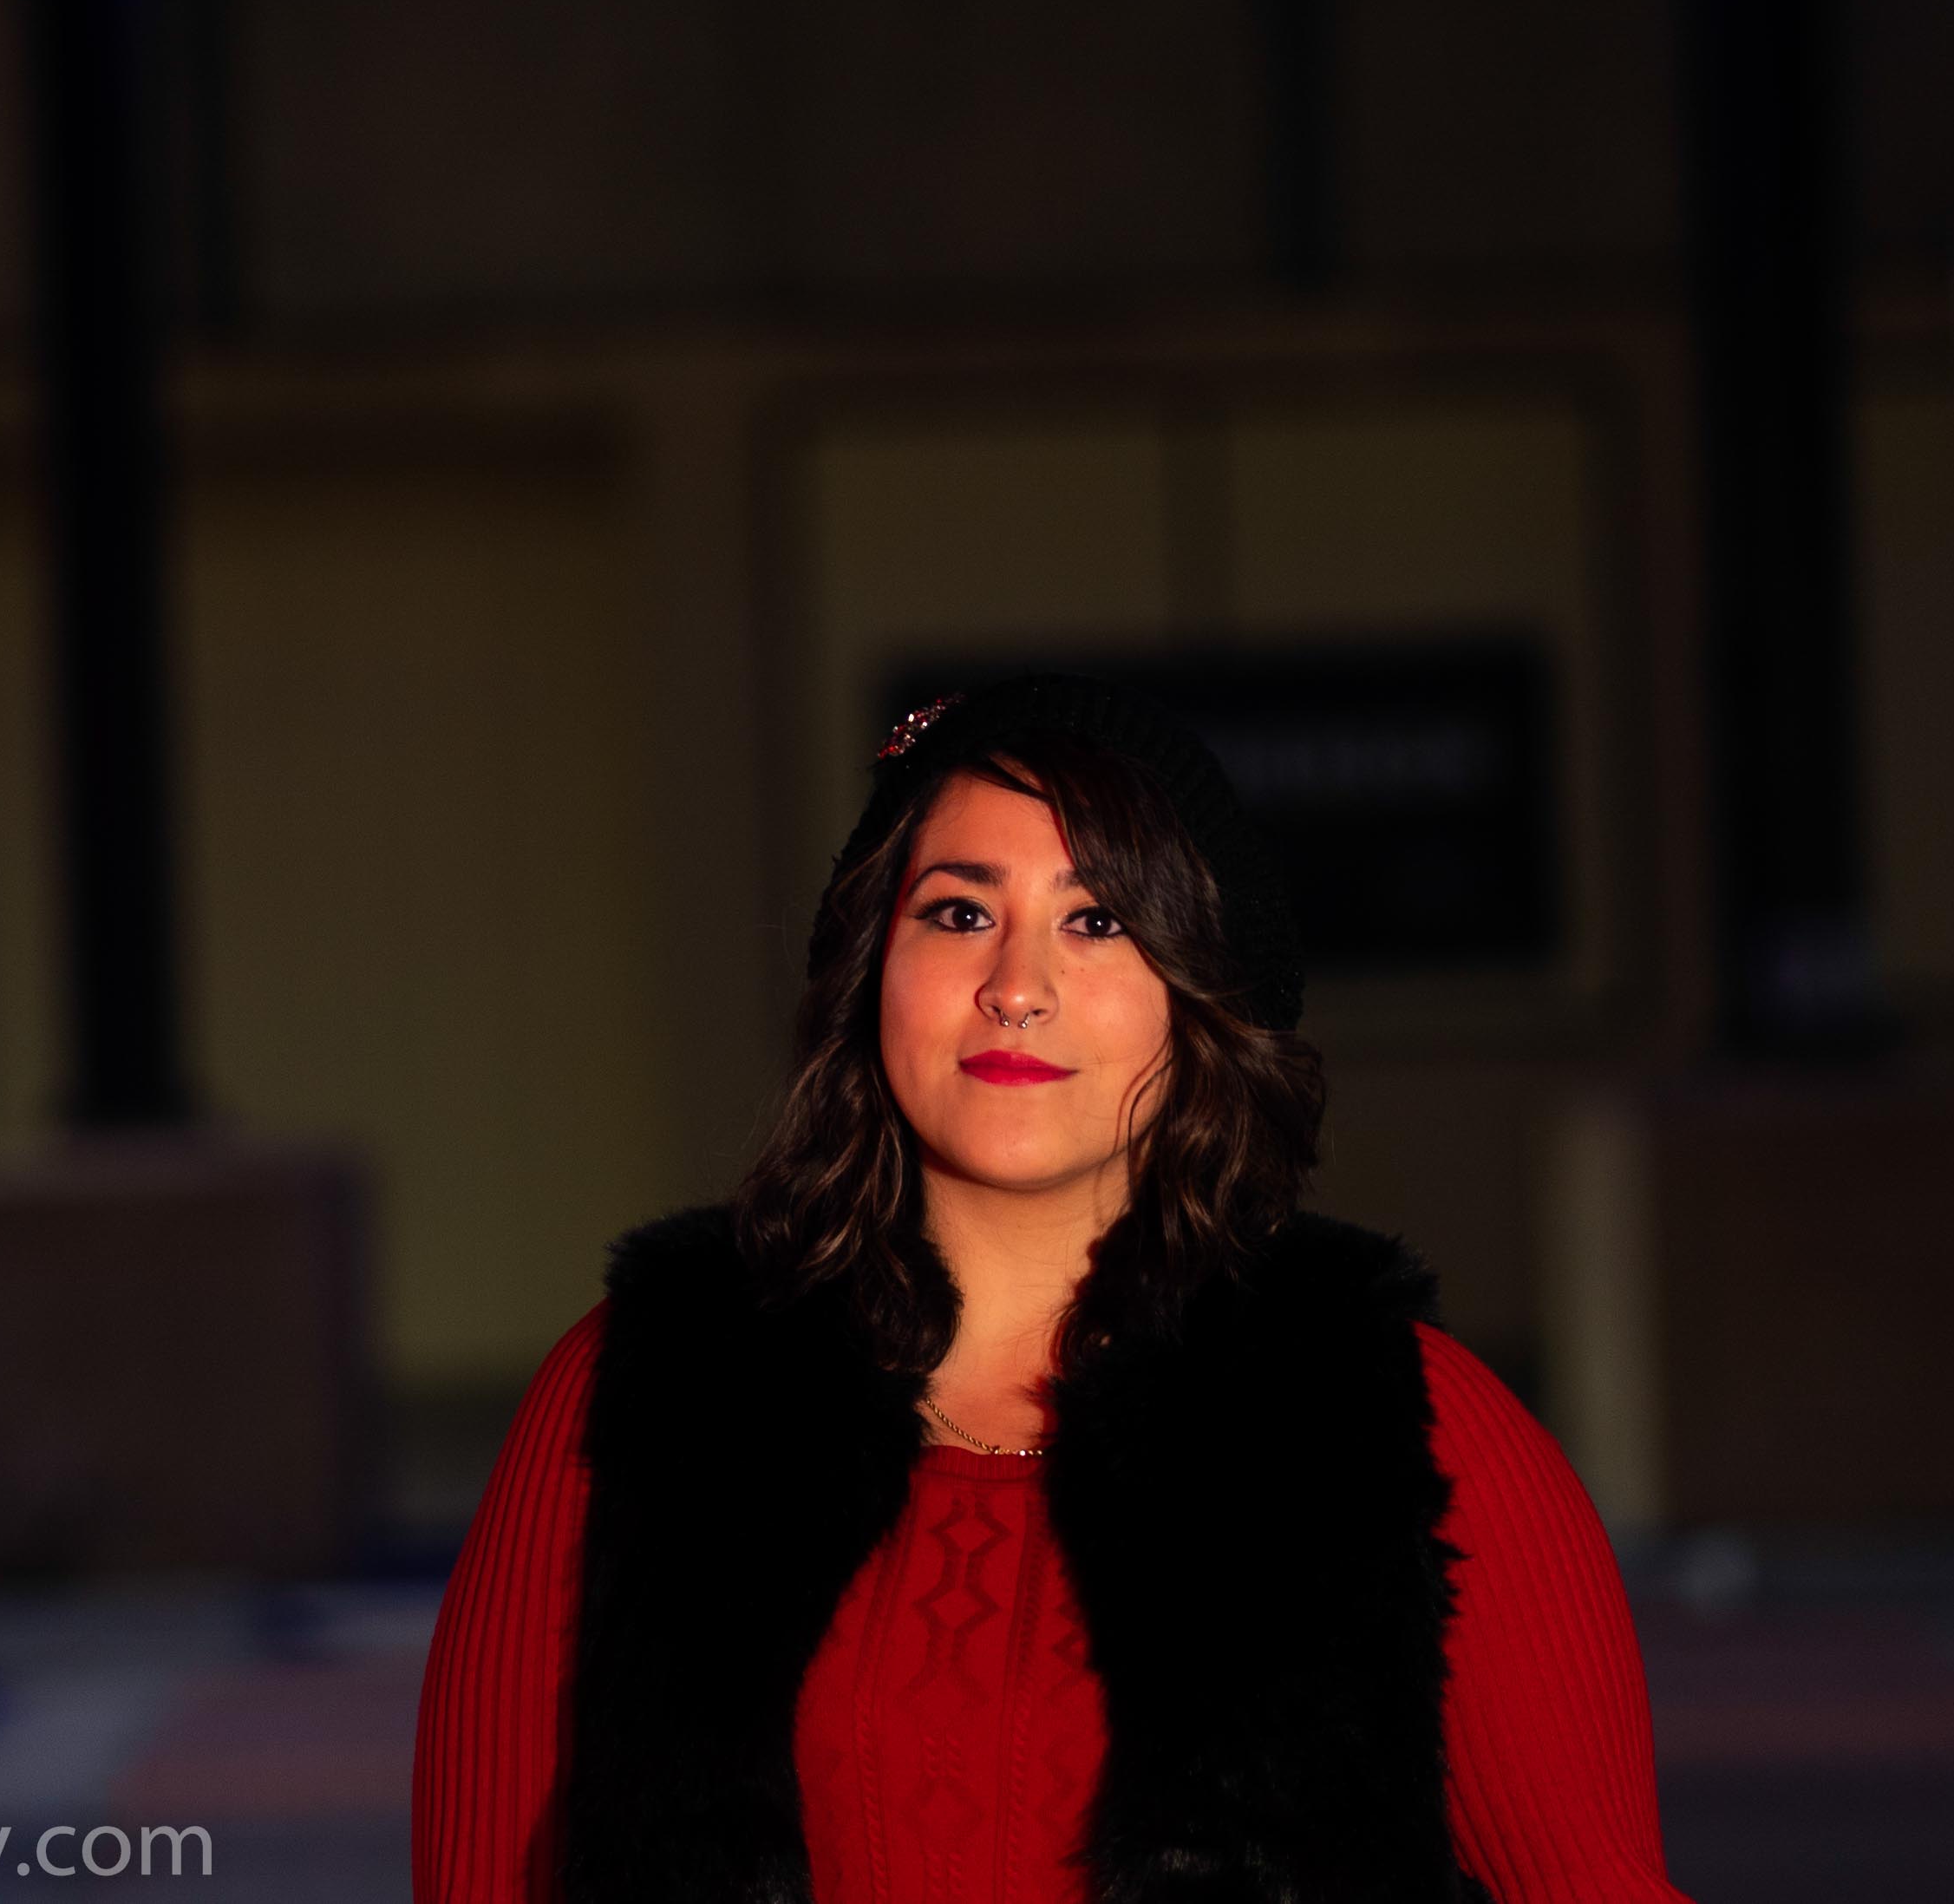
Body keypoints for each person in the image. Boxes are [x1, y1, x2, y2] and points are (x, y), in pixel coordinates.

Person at [412, 674, 1688, 1904]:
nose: (1016, 988)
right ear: (870, 970)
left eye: (1099, 922)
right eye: (960, 913)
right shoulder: (648, 1391)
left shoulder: (1396, 1420)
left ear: (1203, 997)